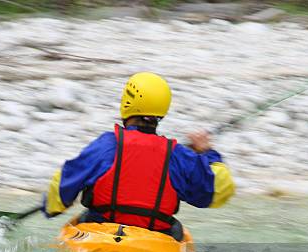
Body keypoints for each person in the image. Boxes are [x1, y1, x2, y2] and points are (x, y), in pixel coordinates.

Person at [42, 72, 235, 241]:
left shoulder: (108, 145)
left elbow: (62, 188)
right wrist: (207, 153)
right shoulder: (176, 155)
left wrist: (50, 207)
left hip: (99, 237)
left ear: (128, 102)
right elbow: (220, 188)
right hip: (155, 243)